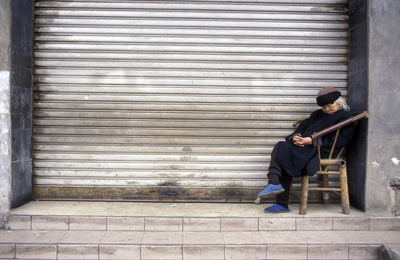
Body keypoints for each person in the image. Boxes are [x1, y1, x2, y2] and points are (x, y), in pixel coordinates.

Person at [257, 86, 355, 213]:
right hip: (304, 147)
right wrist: (296, 137)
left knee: (284, 152)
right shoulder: (317, 114)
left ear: (338, 101)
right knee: (282, 147)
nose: (327, 108)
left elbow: (341, 141)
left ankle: (279, 197)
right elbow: (303, 126)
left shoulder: (345, 117)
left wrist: (312, 141)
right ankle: (274, 184)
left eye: (330, 104)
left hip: (319, 151)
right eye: (323, 106)